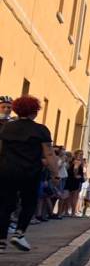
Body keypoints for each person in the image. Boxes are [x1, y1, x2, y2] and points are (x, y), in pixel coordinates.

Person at [0, 96, 60, 251]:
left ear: (17, 110)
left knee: (6, 205)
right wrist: (55, 174)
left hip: (6, 171)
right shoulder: (41, 130)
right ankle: (19, 234)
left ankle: (1, 240)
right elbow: (49, 154)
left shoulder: (6, 128)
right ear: (35, 111)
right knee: (29, 203)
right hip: (30, 172)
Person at [65, 150, 86, 217]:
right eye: (80, 154)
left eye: (82, 154)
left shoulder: (72, 161)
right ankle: (73, 212)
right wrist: (76, 174)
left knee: (69, 197)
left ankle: (66, 212)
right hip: (75, 180)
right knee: (74, 197)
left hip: (70, 179)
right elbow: (75, 168)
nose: (81, 155)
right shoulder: (77, 161)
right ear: (76, 154)